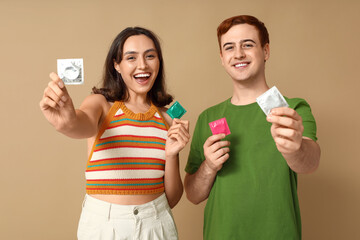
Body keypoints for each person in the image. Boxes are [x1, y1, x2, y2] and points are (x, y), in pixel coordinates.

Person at [40, 27, 189, 240]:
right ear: (116, 65)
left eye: (150, 56)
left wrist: (172, 154)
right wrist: (66, 121)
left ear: (159, 62)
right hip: (105, 226)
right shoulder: (100, 104)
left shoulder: (167, 118)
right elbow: (80, 124)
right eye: (131, 57)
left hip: (157, 224)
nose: (143, 65)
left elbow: (172, 199)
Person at [184, 15, 321, 239]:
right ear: (222, 57)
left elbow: (310, 163)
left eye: (247, 45)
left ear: (266, 51)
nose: (238, 54)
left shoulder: (293, 109)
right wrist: (209, 166)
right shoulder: (208, 117)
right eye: (229, 47)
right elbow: (192, 194)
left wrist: (294, 148)